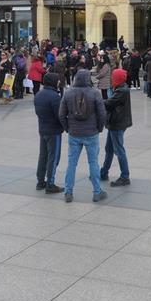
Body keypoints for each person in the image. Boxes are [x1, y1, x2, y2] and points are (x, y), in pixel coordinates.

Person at [59, 69, 108, 203]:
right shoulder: (95, 93)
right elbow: (102, 114)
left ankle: (68, 192)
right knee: (93, 163)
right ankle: (97, 192)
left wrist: (67, 128)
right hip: (91, 133)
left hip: (74, 133)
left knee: (71, 164)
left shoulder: (68, 93)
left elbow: (61, 114)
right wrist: (99, 128)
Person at [33, 72, 64, 194]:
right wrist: (65, 126)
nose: (59, 82)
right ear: (53, 81)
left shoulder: (39, 94)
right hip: (54, 131)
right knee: (53, 157)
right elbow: (59, 115)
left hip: (43, 128)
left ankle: (40, 181)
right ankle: (50, 183)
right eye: (57, 80)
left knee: (43, 155)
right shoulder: (54, 97)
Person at [101, 68, 132, 187]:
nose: (112, 79)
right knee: (109, 149)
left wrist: (96, 99)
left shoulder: (122, 91)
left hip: (117, 124)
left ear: (117, 78)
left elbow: (109, 103)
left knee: (119, 150)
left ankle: (125, 176)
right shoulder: (120, 88)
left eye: (113, 77)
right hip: (115, 123)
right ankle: (104, 172)